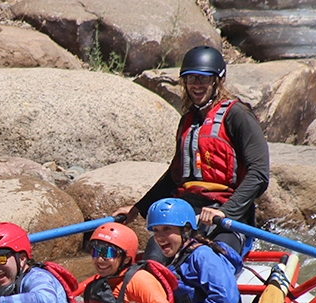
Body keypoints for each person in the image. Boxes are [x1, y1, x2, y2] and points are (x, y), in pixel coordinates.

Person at [113, 45, 270, 261]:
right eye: (191, 79)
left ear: (217, 80)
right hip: (185, 215)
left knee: (212, 262)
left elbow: (259, 174)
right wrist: (138, 208)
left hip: (226, 218)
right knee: (153, 260)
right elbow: (174, 176)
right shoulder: (187, 121)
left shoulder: (238, 115)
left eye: (203, 78)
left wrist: (226, 211)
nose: (196, 85)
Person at [146, 198, 252, 303]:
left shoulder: (203, 255)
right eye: (156, 231)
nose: (160, 237)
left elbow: (224, 302)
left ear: (186, 229)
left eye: (167, 229)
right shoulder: (175, 260)